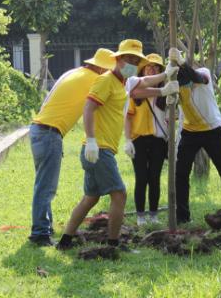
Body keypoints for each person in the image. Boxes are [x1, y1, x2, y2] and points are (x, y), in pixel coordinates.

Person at [57, 40, 179, 250]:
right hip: (98, 149)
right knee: (120, 194)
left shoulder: (125, 82)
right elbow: (88, 109)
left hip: (102, 150)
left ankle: (65, 241)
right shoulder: (105, 81)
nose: (131, 63)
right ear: (117, 59)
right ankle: (114, 244)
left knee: (90, 199)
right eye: (127, 59)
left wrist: (166, 75)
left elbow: (145, 81)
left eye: (135, 60)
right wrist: (92, 140)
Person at [28, 48, 116, 246]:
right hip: (49, 133)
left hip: (38, 130)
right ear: (102, 69)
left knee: (42, 184)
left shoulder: (74, 72)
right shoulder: (95, 79)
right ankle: (40, 233)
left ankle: (45, 227)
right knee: (46, 187)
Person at [169, 48, 221, 224]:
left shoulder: (203, 73)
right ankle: (182, 216)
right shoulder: (176, 83)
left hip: (212, 130)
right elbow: (164, 101)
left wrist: (181, 62)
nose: (186, 85)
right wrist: (168, 90)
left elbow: (197, 78)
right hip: (189, 132)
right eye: (182, 81)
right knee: (181, 174)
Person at [124, 53, 169, 226]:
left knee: (155, 177)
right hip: (139, 140)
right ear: (143, 70)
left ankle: (153, 214)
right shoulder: (135, 92)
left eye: (156, 67)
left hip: (158, 140)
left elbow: (171, 119)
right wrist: (127, 140)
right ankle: (141, 215)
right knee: (141, 178)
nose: (152, 70)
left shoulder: (166, 93)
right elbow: (128, 118)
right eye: (149, 67)